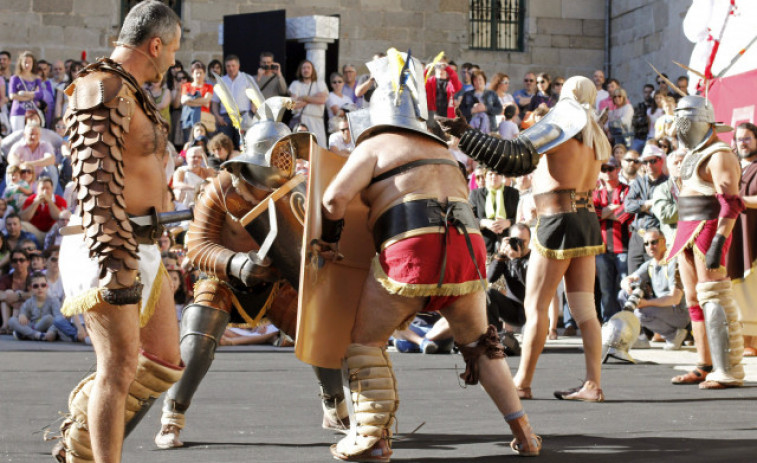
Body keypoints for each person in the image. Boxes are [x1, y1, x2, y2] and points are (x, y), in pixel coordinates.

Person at [319, 52, 541, 461]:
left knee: (366, 342)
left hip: (413, 248)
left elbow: (333, 199)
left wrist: (329, 239)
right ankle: (524, 432)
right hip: (466, 251)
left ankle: (375, 440)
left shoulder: (376, 144)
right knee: (481, 343)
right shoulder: (444, 150)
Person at [155, 108, 346, 448]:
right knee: (199, 332)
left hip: (276, 282)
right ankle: (172, 415)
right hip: (223, 280)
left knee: (318, 327)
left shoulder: (297, 190)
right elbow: (197, 247)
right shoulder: (221, 188)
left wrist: (325, 250)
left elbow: (312, 243)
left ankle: (336, 406)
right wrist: (235, 263)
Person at [52, 3, 185, 462]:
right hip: (106, 244)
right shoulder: (100, 87)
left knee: (164, 361)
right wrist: (115, 260)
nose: (173, 59)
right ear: (155, 45)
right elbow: (95, 180)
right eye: (173, 49)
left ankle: (80, 441)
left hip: (139, 242)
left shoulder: (130, 89)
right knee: (119, 366)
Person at [445, 75, 611, 402]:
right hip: (585, 220)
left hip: (557, 221)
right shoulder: (596, 137)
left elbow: (513, 155)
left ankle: (522, 382)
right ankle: (593, 384)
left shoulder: (564, 124)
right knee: (585, 312)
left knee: (535, 307)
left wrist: (466, 136)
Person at [665, 95, 744, 390]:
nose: (683, 126)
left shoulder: (720, 153)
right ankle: (704, 364)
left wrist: (719, 240)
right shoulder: (692, 155)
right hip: (686, 228)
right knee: (694, 300)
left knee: (714, 296)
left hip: (710, 227)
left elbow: (730, 204)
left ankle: (728, 370)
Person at [619, 229, 689, 350]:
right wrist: (628, 286)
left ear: (664, 242)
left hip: (679, 312)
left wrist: (647, 303)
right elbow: (626, 280)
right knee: (623, 295)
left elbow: (675, 299)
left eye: (654, 242)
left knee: (641, 312)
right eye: (646, 244)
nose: (650, 246)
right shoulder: (650, 264)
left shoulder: (673, 262)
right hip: (662, 309)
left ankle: (673, 335)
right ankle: (640, 338)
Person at [727, 122, 757, 357]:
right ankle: (742, 339)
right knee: (738, 289)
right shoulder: (734, 167)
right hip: (736, 233)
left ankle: (752, 341)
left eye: (747, 138)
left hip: (754, 234)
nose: (743, 143)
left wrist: (740, 200)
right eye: (739, 139)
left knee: (752, 289)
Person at [593, 157, 632, 322]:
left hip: (623, 247)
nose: (607, 172)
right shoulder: (596, 193)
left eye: (611, 168)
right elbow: (592, 215)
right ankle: (609, 322)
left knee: (624, 287)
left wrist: (604, 212)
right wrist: (613, 208)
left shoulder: (628, 190)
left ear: (618, 169)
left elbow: (626, 214)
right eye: (604, 169)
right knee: (606, 290)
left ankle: (626, 321)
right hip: (602, 249)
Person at [624, 142, 668, 274]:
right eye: (645, 162)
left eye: (653, 161)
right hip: (638, 236)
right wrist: (648, 204)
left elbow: (665, 209)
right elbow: (627, 206)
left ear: (661, 161)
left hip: (657, 236)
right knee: (633, 277)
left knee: (654, 277)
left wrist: (641, 206)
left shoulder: (667, 183)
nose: (649, 165)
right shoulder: (639, 182)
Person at [486, 223, 532, 332]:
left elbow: (528, 283)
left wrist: (516, 260)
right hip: (513, 309)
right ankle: (495, 336)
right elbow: (490, 278)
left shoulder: (535, 257)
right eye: (516, 240)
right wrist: (501, 254)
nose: (520, 244)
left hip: (532, 310)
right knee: (489, 294)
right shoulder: (507, 257)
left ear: (530, 240)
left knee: (529, 342)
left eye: (524, 241)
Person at [469, 169, 519, 255]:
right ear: (485, 176)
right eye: (490, 174)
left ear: (502, 176)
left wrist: (508, 222)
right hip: (484, 247)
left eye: (497, 174)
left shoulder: (513, 193)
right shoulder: (476, 194)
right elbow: (469, 220)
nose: (493, 177)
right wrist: (484, 222)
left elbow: (521, 218)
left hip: (508, 247)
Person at [211, 54, 255, 150]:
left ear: (238, 66)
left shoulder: (247, 79)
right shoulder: (221, 81)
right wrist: (218, 117)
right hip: (225, 119)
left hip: (243, 117)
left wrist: (250, 114)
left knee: (244, 147)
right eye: (228, 66)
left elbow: (254, 98)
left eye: (233, 65)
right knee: (225, 147)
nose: (231, 68)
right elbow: (214, 102)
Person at [8, 270, 58, 341]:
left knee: (49, 318)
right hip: (33, 326)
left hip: (47, 328)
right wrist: (22, 315)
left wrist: (52, 331)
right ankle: (36, 335)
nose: (40, 288)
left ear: (47, 286)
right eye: (36, 286)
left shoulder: (53, 300)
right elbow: (23, 311)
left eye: (43, 285)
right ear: (31, 288)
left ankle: (26, 334)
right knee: (12, 320)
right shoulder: (29, 302)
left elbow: (58, 319)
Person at [7, 123, 59, 190]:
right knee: (10, 167)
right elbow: (11, 157)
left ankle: (50, 196)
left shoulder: (45, 145)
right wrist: (24, 167)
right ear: (25, 135)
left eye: (36, 134)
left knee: (51, 169)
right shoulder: (18, 145)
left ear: (40, 135)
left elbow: (51, 159)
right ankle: (10, 193)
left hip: (40, 177)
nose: (34, 137)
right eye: (31, 134)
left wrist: (30, 164)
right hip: (23, 176)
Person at [289, 60, 328, 147]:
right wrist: (313, 98)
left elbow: (323, 100)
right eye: (304, 68)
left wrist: (303, 97)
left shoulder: (319, 83)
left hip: (317, 120)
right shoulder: (295, 84)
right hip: (302, 120)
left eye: (308, 68)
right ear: (300, 70)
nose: (306, 70)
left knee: (320, 146)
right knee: (302, 147)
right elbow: (293, 105)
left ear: (312, 70)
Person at [651, 149, 685, 247]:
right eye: (676, 163)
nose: (680, 165)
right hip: (675, 244)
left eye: (683, 162)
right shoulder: (662, 189)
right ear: (669, 168)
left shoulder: (697, 186)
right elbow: (664, 215)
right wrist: (693, 206)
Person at [19, 176, 66, 244]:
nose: (45, 191)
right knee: (21, 225)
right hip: (35, 232)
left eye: (47, 188)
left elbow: (58, 217)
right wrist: (36, 202)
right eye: (42, 188)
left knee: (59, 224)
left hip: (52, 233)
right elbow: (24, 218)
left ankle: (52, 249)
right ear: (37, 190)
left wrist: (49, 201)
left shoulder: (60, 200)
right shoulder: (30, 199)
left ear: (52, 189)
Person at [8, 51, 44, 132]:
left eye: (29, 62)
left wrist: (23, 93)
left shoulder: (36, 79)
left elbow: (40, 94)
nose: (27, 65)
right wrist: (32, 95)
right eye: (25, 62)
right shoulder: (15, 78)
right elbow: (12, 96)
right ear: (20, 63)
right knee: (18, 136)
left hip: (32, 112)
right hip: (18, 112)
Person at [0, 247, 32, 335]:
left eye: (21, 260)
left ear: (28, 262)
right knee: (8, 293)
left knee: (18, 294)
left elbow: (36, 294)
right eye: (15, 261)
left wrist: (19, 296)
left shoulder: (33, 278)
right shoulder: (6, 278)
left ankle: (12, 325)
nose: (18, 263)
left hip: (27, 312)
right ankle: (5, 325)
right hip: (9, 307)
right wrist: (10, 297)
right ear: (11, 264)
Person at [180, 61, 214, 142]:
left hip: (203, 119)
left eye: (201, 73)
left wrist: (190, 100)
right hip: (189, 119)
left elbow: (207, 100)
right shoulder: (186, 86)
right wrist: (202, 102)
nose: (199, 75)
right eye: (196, 73)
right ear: (192, 74)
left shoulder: (209, 87)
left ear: (204, 74)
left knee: (203, 142)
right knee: (189, 141)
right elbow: (183, 101)